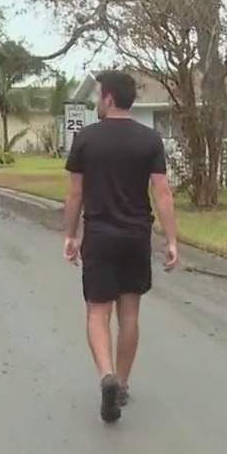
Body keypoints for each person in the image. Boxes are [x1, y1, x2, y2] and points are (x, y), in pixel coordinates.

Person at [62, 70, 179, 423]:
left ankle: (106, 376)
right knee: (130, 314)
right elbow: (162, 192)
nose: (98, 100)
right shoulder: (149, 140)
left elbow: (75, 193)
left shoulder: (86, 138)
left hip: (99, 236)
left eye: (100, 95)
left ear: (109, 98)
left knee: (98, 313)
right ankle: (123, 384)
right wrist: (172, 240)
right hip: (135, 237)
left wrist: (70, 234)